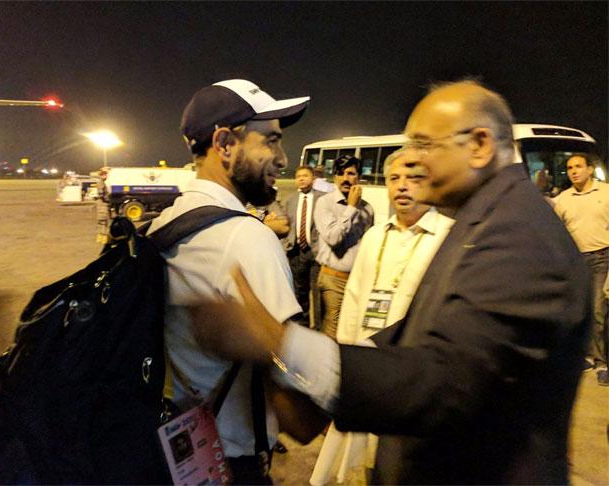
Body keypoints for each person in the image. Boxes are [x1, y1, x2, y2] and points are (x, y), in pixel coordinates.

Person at [189, 80, 592, 484]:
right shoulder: (482, 219)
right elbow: (425, 332)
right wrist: (319, 371)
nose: (411, 162)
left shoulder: (518, 235)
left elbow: (448, 379)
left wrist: (282, 343)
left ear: (480, 145)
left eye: (423, 144)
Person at [147, 78, 324, 484]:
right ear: (225, 144)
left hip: (177, 455)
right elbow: (298, 409)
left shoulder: (162, 226)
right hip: (232, 464)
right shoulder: (246, 238)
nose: (283, 159)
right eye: (271, 142)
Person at [310, 148, 454, 485]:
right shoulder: (375, 236)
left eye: (414, 178)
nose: (403, 186)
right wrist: (347, 363)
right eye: (394, 179)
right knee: (361, 462)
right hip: (369, 363)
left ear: (431, 185)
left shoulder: (449, 237)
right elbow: (355, 301)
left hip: (414, 372)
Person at [554, 154, 609, 385]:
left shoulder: (605, 192)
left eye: (578, 166)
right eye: (569, 168)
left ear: (589, 169)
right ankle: (587, 355)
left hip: (603, 258)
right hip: (576, 261)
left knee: (598, 310)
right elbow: (557, 232)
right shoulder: (563, 200)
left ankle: (602, 363)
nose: (574, 171)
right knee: (580, 311)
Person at [314, 155, 374, 339]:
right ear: (334, 176)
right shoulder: (325, 203)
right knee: (332, 331)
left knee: (352, 330)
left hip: (357, 279)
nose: (345, 178)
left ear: (358, 177)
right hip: (334, 280)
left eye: (351, 173)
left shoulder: (368, 209)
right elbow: (333, 237)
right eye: (340, 173)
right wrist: (351, 208)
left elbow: (370, 243)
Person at [280, 165, 324, 328]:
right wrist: (286, 245)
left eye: (305, 175)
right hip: (296, 251)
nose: (301, 179)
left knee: (318, 293)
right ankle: (303, 326)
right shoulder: (289, 200)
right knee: (299, 292)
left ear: (313, 178)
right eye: (298, 176)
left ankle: (319, 328)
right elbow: (285, 223)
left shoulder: (323, 198)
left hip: (316, 252)